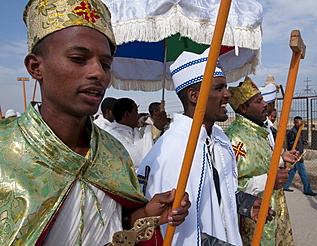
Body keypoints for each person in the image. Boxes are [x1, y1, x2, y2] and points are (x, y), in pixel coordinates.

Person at [0, 1, 190, 245]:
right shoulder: (5, 150)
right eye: (79, 58)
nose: (98, 73)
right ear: (36, 67)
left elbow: (116, 222)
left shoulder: (114, 152)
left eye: (106, 64)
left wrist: (145, 215)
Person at [138, 49, 275, 246]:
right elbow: (174, 232)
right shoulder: (175, 149)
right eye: (219, 88)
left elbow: (216, 194)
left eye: (225, 87)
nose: (227, 94)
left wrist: (244, 203)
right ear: (194, 95)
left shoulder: (218, 138)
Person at [225, 77, 298, 246]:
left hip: (275, 209)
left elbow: (260, 165)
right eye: (259, 101)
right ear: (243, 107)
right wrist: (269, 180)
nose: (265, 104)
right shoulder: (234, 138)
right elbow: (229, 188)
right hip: (255, 217)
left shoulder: (259, 131)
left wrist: (280, 159)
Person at [105, 98, 154, 170]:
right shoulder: (113, 134)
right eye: (136, 112)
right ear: (127, 114)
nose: (138, 116)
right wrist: (148, 132)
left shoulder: (134, 131)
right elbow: (136, 159)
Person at [284, 116, 317, 196]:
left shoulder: (298, 131)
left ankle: (285, 186)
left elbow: (297, 142)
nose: (298, 124)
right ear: (294, 123)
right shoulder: (293, 132)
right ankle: (307, 189)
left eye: (300, 122)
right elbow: (292, 145)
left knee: (291, 172)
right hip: (295, 156)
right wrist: (298, 156)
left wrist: (302, 142)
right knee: (303, 173)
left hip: (296, 155)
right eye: (297, 122)